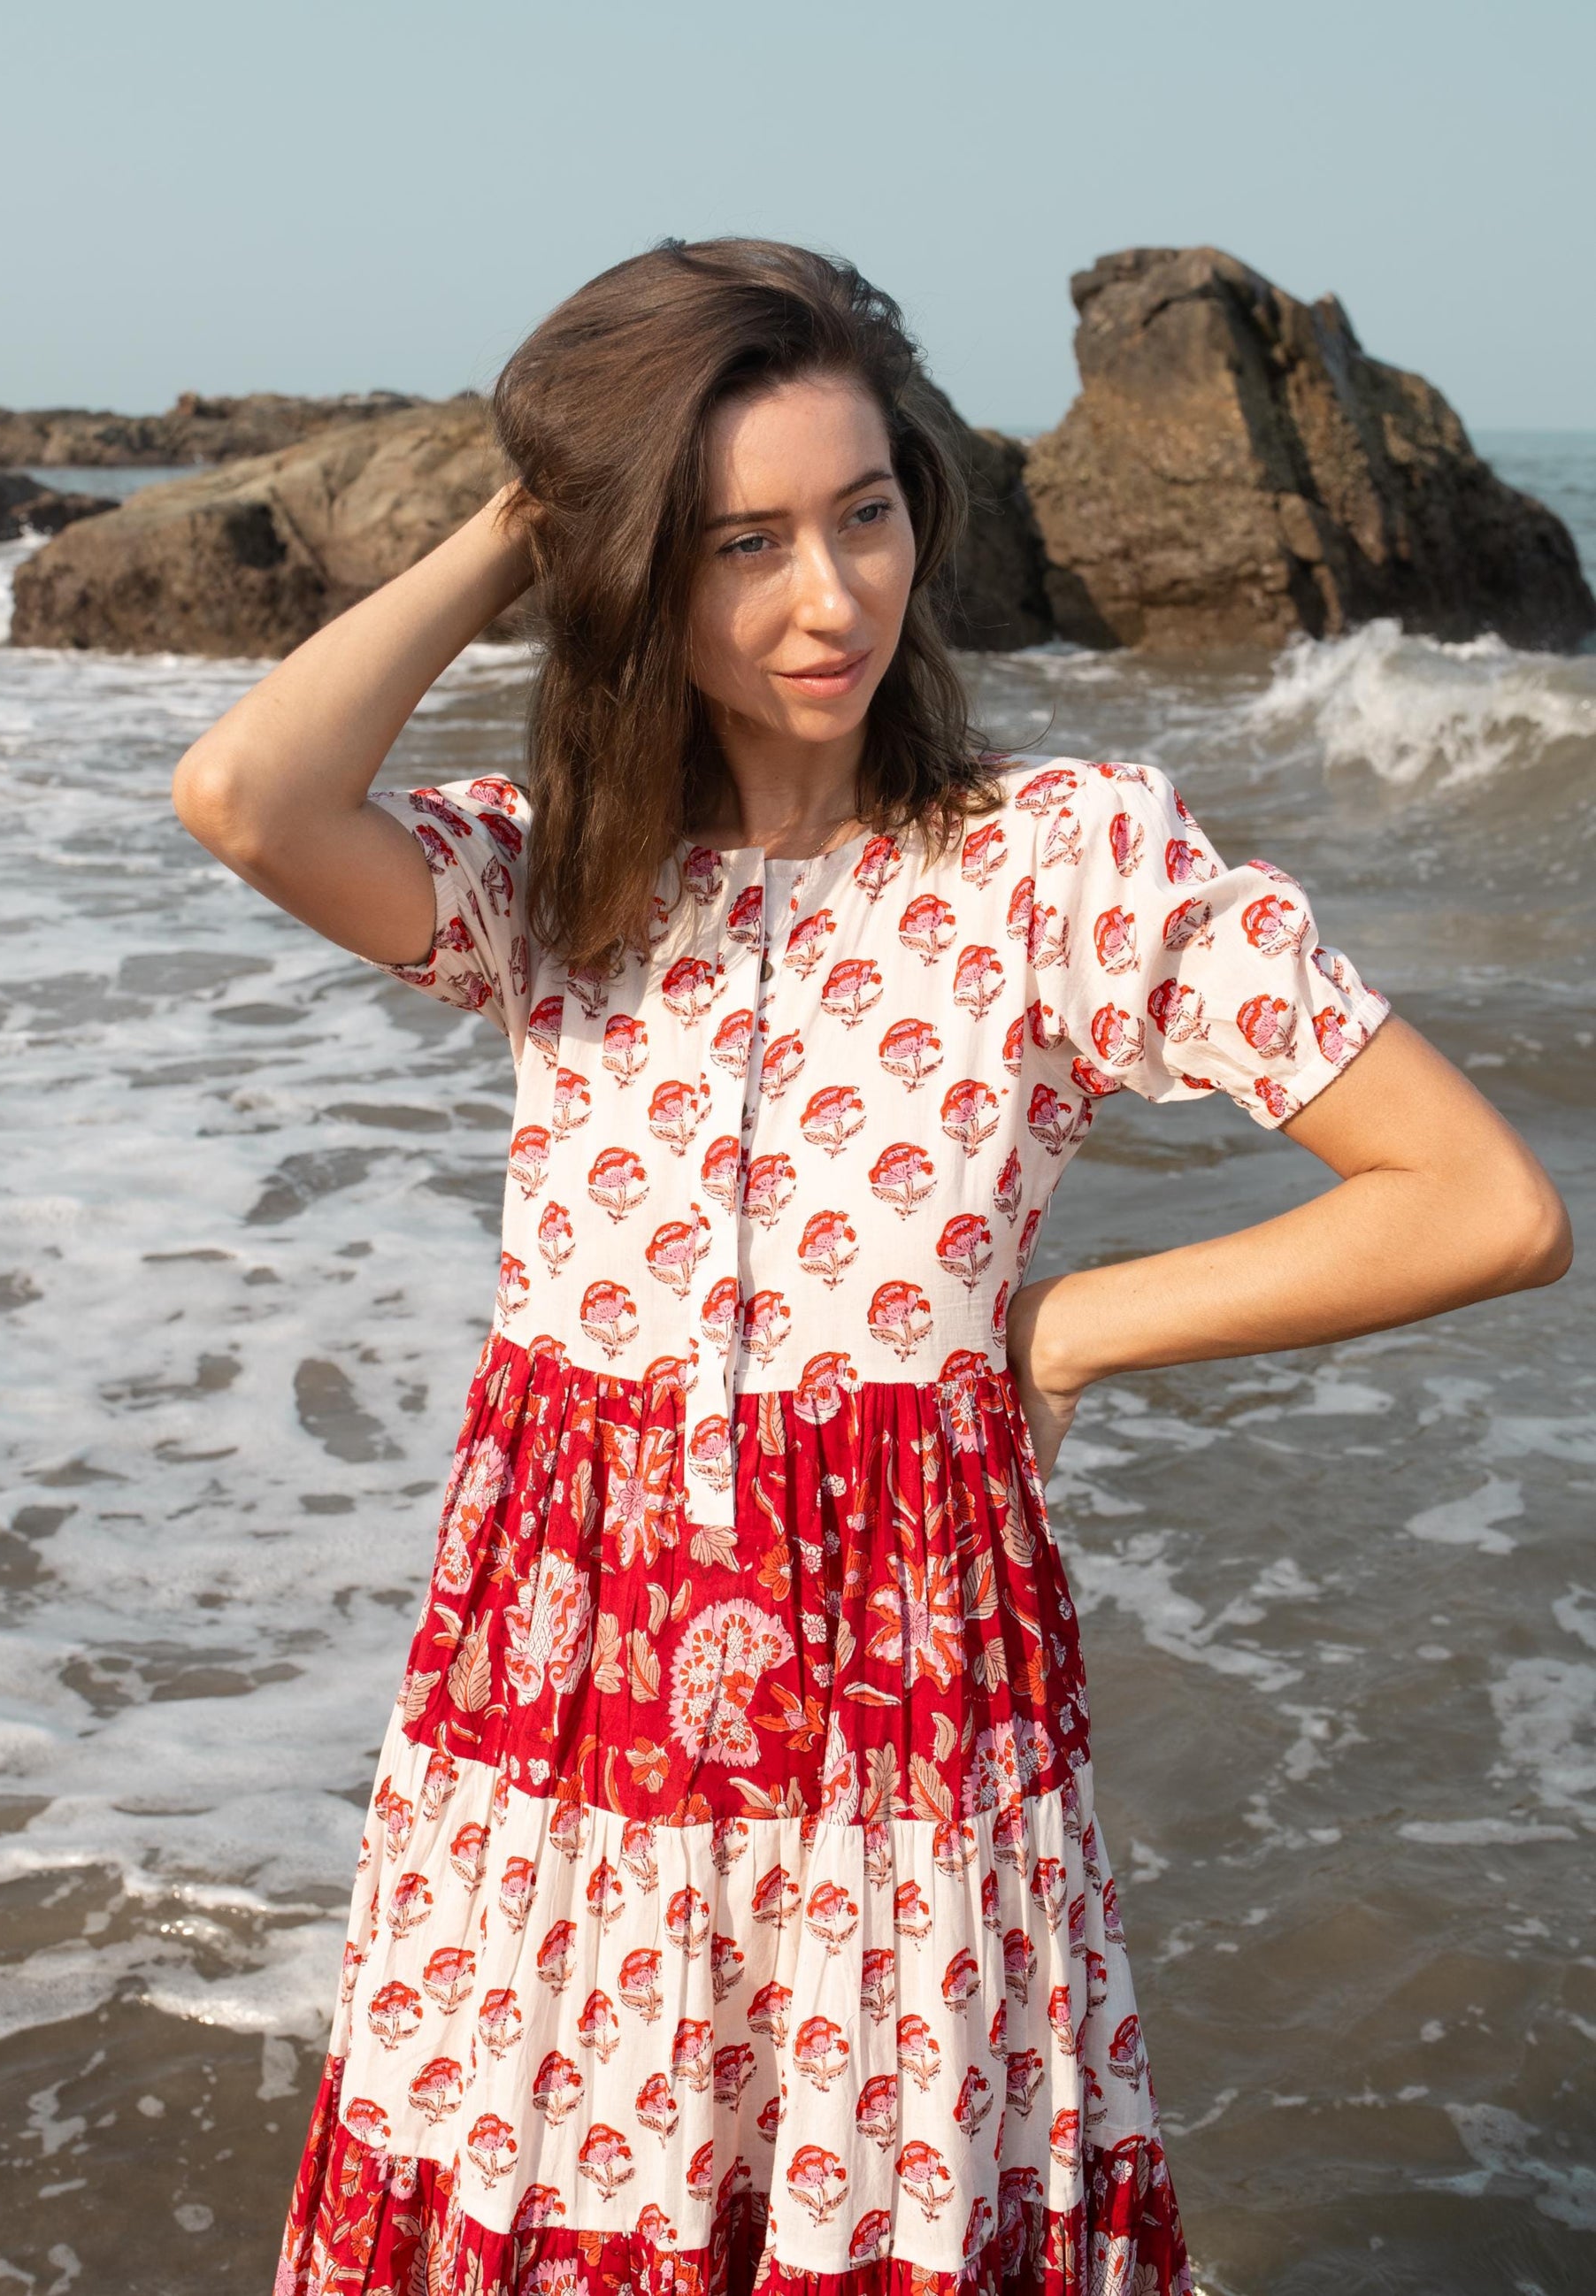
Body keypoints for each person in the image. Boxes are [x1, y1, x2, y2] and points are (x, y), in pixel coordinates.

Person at [172, 239, 1571, 2296]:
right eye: (737, 540)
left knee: (874, 2216)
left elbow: (1479, 1200)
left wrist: (1071, 1322)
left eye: (864, 512)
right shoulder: (565, 875)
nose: (828, 595)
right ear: (643, 565)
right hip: (555, 1712)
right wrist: (527, 511)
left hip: (896, 1720)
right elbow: (246, 792)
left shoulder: (1059, 862)